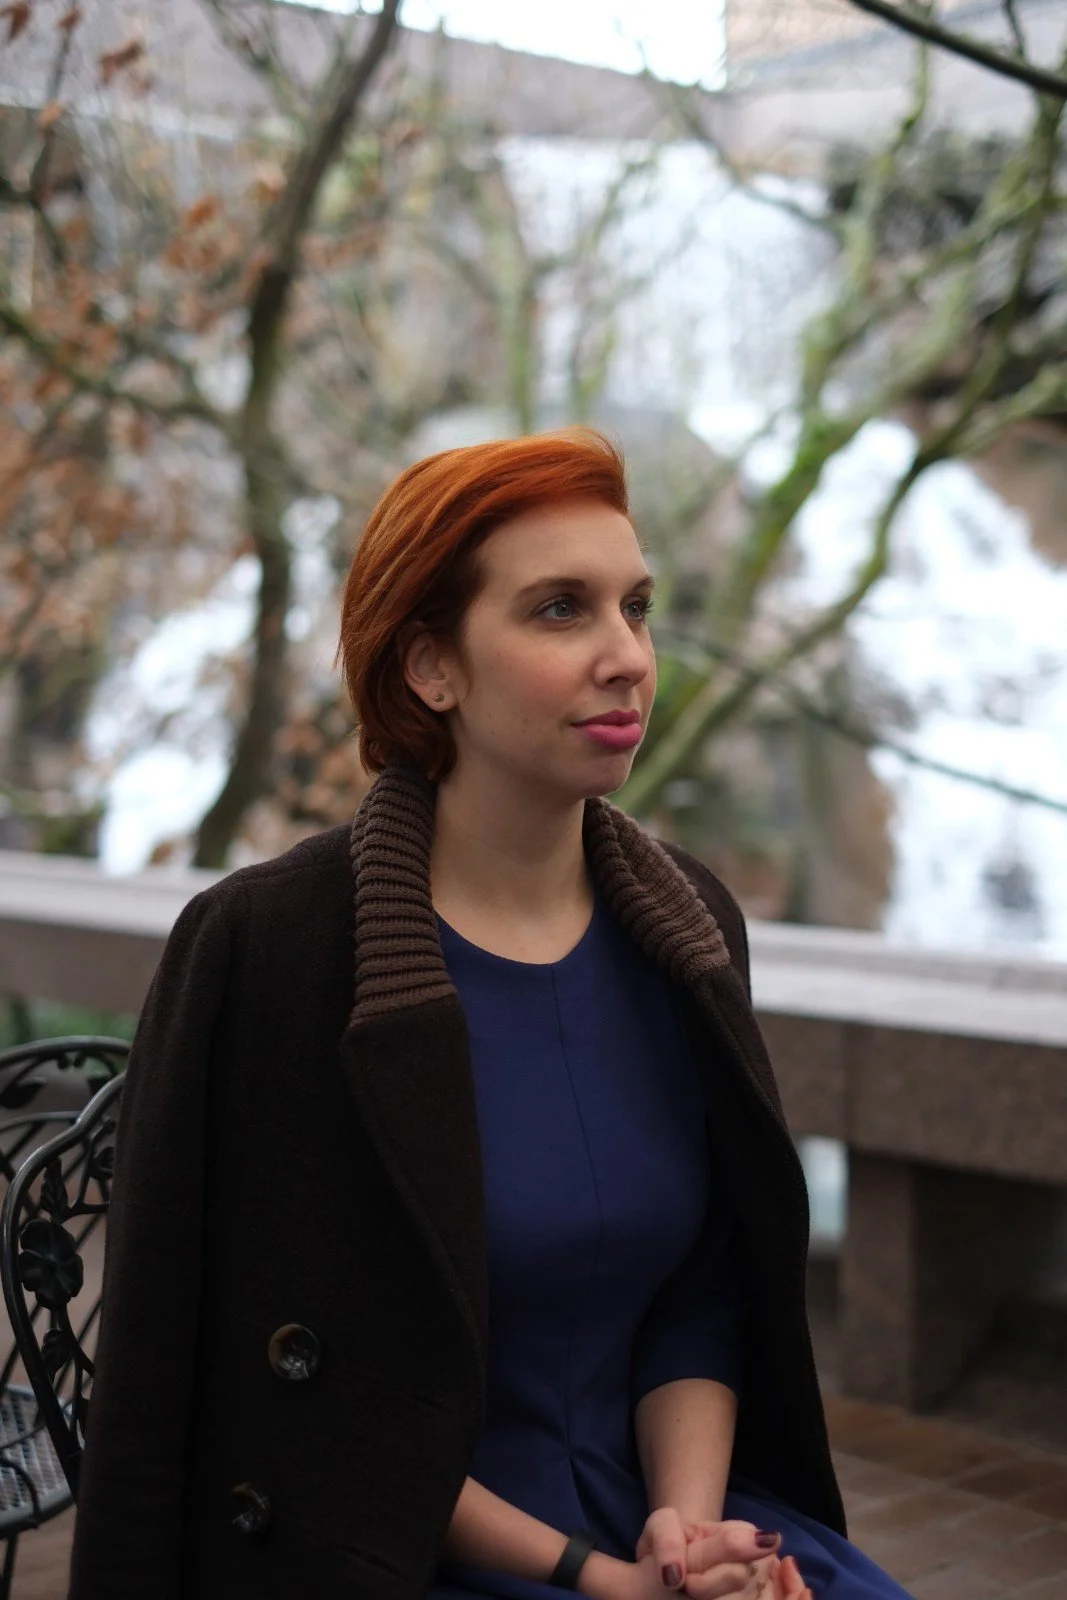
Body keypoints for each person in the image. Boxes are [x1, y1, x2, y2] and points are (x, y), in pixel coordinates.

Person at [68, 429, 912, 1600]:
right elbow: (223, 1388)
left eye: (636, 605)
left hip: (653, 1509)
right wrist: (596, 1577)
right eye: (560, 610)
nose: (626, 656)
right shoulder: (265, 950)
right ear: (430, 668)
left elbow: (696, 1296)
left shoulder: (685, 927)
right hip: (395, 1547)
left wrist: (686, 1537)